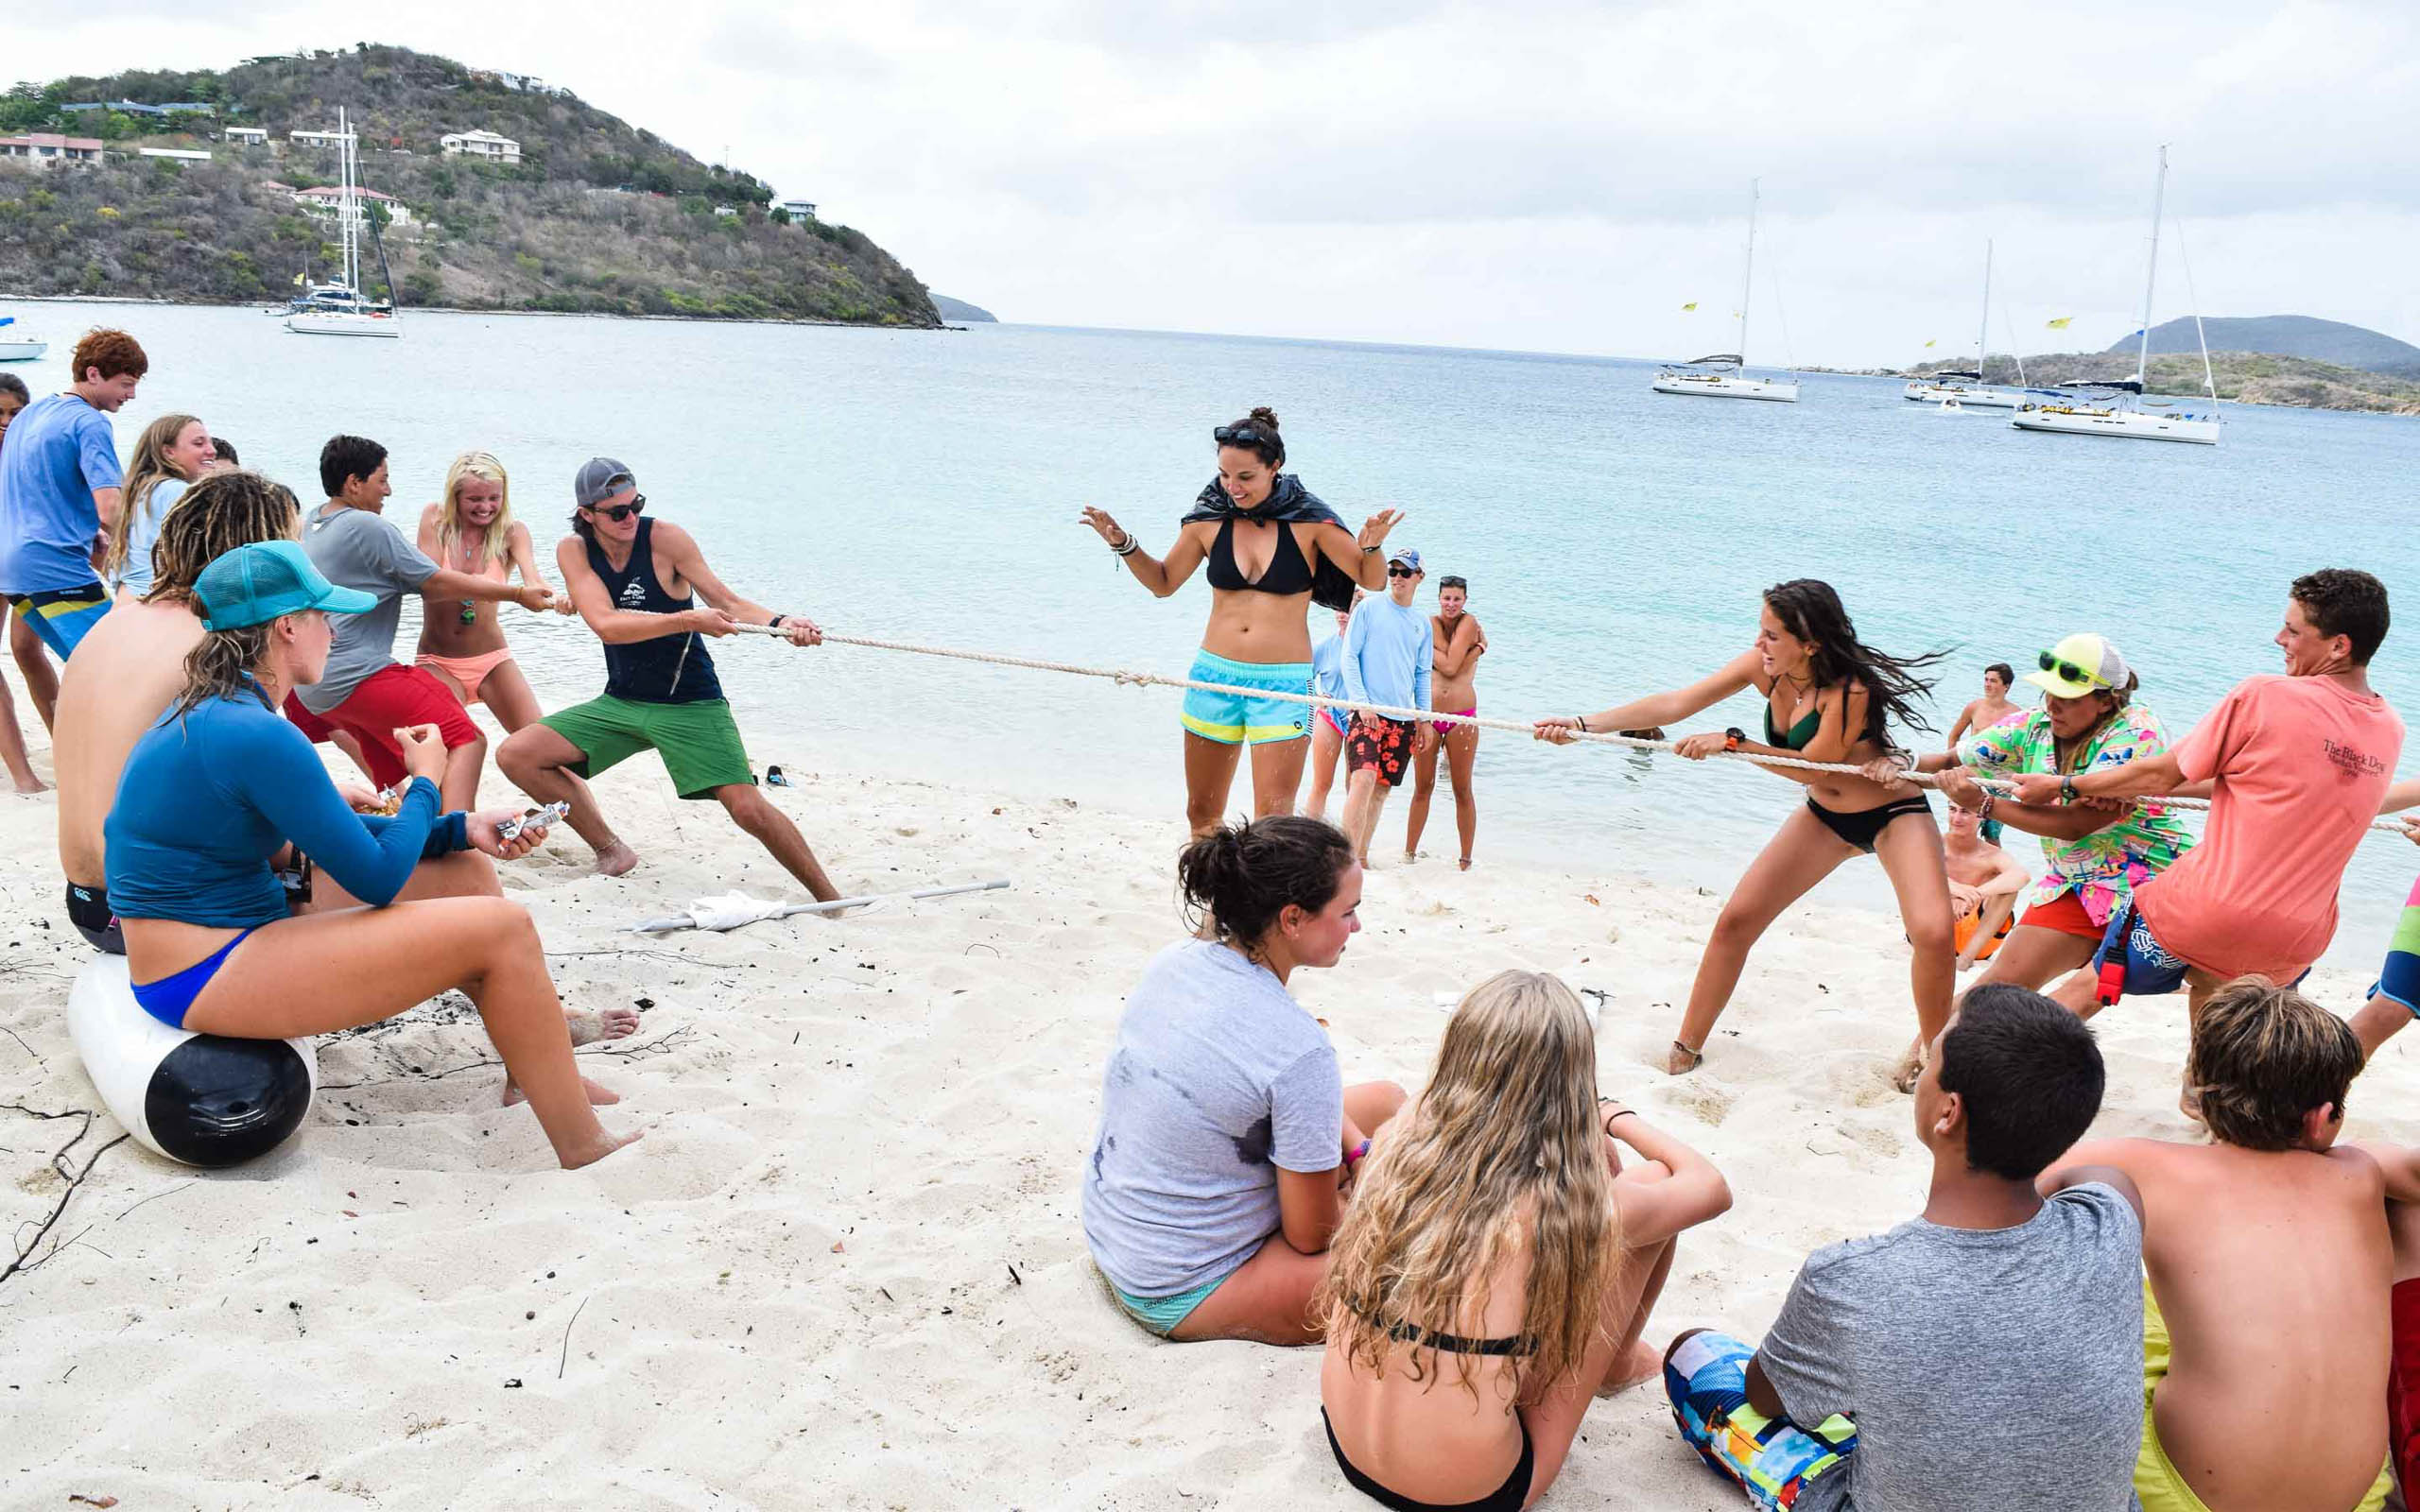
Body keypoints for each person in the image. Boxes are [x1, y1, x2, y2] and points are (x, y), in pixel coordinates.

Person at [55, 471, 636, 1086]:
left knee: (455, 865)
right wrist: (414, 795)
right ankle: (534, 1032)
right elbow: (228, 815)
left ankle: (534, 1029)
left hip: (89, 898)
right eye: (292, 541)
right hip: (160, 915)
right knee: (441, 880)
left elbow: (174, 787)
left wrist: (324, 801)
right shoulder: (218, 654)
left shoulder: (122, 618)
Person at [1667, 984, 2144, 1512]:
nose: (1925, 1059)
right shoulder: (2110, 1225)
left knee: (1696, 1357)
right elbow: (2100, 1173)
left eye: (1933, 1052)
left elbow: (1765, 1396)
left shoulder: (1849, 1280)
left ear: (1949, 1112)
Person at [1319, 971, 1731, 1511]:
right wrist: (1613, 1116)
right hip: (1471, 1493)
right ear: (1569, 1087)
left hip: (1347, 1445)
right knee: (1651, 1193)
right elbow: (1708, 1187)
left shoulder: (1398, 1150)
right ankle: (1616, 1363)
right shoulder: (1564, 1207)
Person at [1537, 580, 1953, 1087]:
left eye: (1772, 635)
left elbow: (1815, 769)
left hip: (1893, 813)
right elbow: (1675, 704)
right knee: (1736, 921)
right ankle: (1684, 1052)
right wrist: (1584, 724)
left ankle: (1937, 1062)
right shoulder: (1764, 667)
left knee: (1932, 933)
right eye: (1760, 631)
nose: (1760, 644)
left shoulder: (1851, 689)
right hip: (1825, 819)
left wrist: (1732, 743)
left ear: (1811, 644)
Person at [2042, 977, 2393, 1511]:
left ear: (2197, 1094)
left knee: (2148, 1312)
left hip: (2188, 1496)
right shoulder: (2364, 1172)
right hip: (2355, 1500)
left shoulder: (2142, 1163)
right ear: (2323, 1119)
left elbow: (2023, 1185)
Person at [2012, 572, 2401, 1024]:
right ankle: (2199, 1096)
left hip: (2204, 916)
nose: (2280, 638)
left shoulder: (2264, 695)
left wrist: (2067, 785)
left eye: (2293, 630)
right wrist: (2122, 787)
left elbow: (2163, 772)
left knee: (2088, 988)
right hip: (2296, 940)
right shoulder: (2390, 728)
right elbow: (2256, 783)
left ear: (2339, 646)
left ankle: (1988, 1071)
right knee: (2216, 1041)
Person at [1081, 816, 1407, 1345]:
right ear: (1294, 919)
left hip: (1117, 1230)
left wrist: (1354, 1149)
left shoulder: (1175, 962)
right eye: (1348, 912)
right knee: (1408, 1266)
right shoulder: (1297, 1047)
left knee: (1391, 1103)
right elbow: (1312, 1237)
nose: (1356, 928)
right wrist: (1365, 1186)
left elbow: (1287, 1094)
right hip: (1178, 1284)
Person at [497, 458, 839, 895]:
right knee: (517, 754)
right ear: (588, 514)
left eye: (635, 505)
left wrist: (784, 622)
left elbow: (727, 602)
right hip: (622, 701)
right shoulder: (574, 550)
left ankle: (830, 899)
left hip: (690, 702)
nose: (630, 518)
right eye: (617, 511)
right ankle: (611, 850)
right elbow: (605, 624)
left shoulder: (666, 539)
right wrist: (687, 620)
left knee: (747, 808)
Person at [1079, 407, 1399, 835]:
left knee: (1273, 823)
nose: (1233, 487)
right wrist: (1123, 543)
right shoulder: (1207, 521)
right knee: (1202, 816)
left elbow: (1370, 579)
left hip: (1283, 683)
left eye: (1245, 477)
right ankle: (1214, 904)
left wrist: (1373, 547)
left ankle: (1259, 904)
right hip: (1214, 676)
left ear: (1275, 468)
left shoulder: (1309, 522)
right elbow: (1163, 582)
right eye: (1225, 475)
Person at [1904, 635, 2196, 1005]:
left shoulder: (2137, 731)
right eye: (2049, 693)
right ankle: (1919, 1059)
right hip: (2077, 881)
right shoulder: (2035, 725)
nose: (2054, 705)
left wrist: (1983, 803)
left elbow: (2075, 824)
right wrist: (1900, 762)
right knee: (1993, 990)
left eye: (2068, 699)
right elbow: (1952, 760)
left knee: (2207, 991)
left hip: (2158, 884)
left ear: (2106, 700)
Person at [294, 435, 551, 810]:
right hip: (358, 673)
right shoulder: (368, 526)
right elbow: (432, 583)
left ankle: (417, 823)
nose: (389, 490)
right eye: (382, 479)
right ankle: (455, 841)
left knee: (412, 754)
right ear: (354, 483)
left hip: (317, 682)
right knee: (464, 740)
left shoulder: (315, 521)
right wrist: (515, 595)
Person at [0, 327, 146, 660]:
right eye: (127, 383)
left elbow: (25, 486)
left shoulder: (31, 414)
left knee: (85, 668)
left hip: (10, 567)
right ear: (93, 374)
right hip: (55, 566)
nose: (132, 395)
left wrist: (82, 526)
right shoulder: (90, 422)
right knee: (121, 664)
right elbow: (111, 510)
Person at [414, 450, 565, 734]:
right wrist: (516, 594)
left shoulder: (512, 532)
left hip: (492, 660)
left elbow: (533, 580)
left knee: (542, 743)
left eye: (494, 498)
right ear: (455, 497)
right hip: (437, 661)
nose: (485, 507)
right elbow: (432, 585)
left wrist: (557, 600)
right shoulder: (435, 519)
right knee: (440, 745)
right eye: (474, 499)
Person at [1340, 548, 1432, 866]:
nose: (1397, 578)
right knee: (1361, 780)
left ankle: (1362, 856)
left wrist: (1425, 718)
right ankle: (1347, 857)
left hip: (1402, 719)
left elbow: (1421, 673)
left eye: (1405, 573)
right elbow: (1349, 656)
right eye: (1393, 572)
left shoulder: (1422, 622)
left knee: (1381, 789)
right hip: (1366, 713)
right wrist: (1361, 704)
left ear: (1419, 577)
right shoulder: (1369, 609)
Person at [1404, 572, 1485, 870]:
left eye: (1457, 599)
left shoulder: (1469, 622)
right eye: (1446, 598)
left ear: (1465, 601)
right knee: (1422, 786)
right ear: (1439, 598)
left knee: (1462, 789)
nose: (1451, 604)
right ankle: (1409, 852)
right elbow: (1451, 663)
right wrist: (1476, 649)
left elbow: (1449, 667)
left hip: (1461, 717)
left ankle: (1465, 859)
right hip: (1428, 715)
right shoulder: (1429, 622)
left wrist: (1434, 651)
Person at [105, 412, 215, 600]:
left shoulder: (141, 490)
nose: (212, 450)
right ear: (168, 452)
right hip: (157, 598)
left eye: (210, 442)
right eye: (199, 443)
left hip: (128, 596)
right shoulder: (177, 491)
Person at [0, 370, 48, 791]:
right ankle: (22, 774)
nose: (5, 420)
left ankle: (71, 749)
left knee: (26, 648)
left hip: (28, 560)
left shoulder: (32, 454)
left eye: (14, 412)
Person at [1943, 802, 2029, 972]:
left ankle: (1965, 960)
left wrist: (1973, 896)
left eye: (1965, 811)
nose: (1956, 818)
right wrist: (1954, 889)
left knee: (2009, 889)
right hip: (1934, 931)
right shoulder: (1933, 844)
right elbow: (1909, 869)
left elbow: (2022, 876)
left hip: (1974, 940)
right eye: (1952, 810)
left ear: (1981, 817)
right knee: (1920, 877)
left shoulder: (1991, 855)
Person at [1303, 598, 1357, 823]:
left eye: (1348, 609)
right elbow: (1304, 676)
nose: (1343, 614)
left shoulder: (1367, 646)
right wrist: (1316, 697)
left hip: (1359, 716)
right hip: (1330, 715)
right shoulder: (1325, 646)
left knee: (1354, 785)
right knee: (1322, 783)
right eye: (1339, 609)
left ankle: (1352, 839)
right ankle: (1310, 833)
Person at [1944, 662, 2020, 753]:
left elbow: (2021, 748)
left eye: (1993, 681)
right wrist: (1951, 762)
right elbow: (1954, 736)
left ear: (2006, 686)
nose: (1987, 685)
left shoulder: (2016, 714)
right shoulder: (1974, 707)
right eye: (1986, 680)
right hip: (1972, 764)